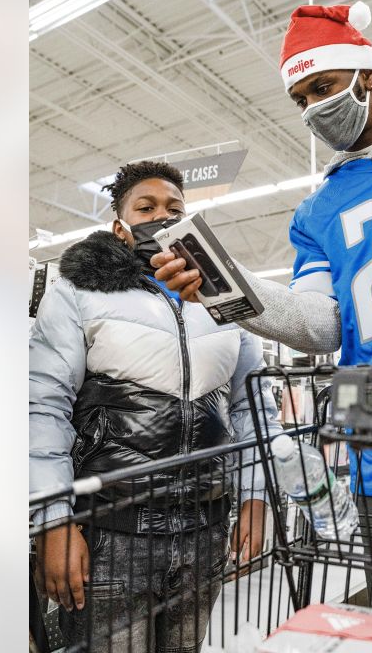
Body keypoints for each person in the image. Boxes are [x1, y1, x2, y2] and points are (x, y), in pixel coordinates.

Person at [152, 2, 372, 652]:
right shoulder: (318, 210)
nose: (314, 108)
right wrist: (228, 287)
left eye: (322, 87)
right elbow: (319, 324)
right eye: (299, 98)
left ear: (364, 75)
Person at [29, 160, 281, 652]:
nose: (161, 217)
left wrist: (256, 496)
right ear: (120, 228)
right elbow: (43, 407)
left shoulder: (222, 301)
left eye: (174, 208)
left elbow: (253, 404)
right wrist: (53, 521)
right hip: (113, 532)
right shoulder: (79, 293)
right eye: (146, 208)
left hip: (205, 527)